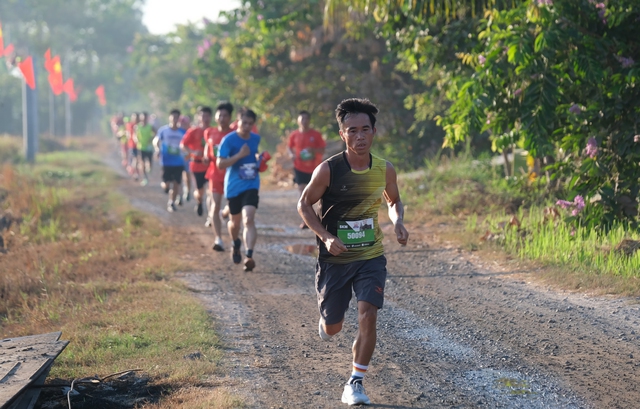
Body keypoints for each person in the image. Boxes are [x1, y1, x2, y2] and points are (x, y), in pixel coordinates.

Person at [297, 98, 409, 406]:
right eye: (352, 131)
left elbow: (394, 201)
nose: (359, 137)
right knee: (333, 328)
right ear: (342, 133)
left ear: (374, 132)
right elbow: (304, 205)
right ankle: (327, 321)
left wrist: (398, 222)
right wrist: (325, 236)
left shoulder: (385, 169)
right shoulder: (328, 170)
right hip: (335, 258)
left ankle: (355, 382)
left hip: (370, 256)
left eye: (365, 130)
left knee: (368, 313)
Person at [217, 109, 262, 272]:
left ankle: (249, 255)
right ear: (238, 121)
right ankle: (236, 243)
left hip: (251, 184)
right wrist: (239, 155)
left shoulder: (255, 139)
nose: (247, 126)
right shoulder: (228, 140)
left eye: (251, 124)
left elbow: (254, 156)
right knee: (234, 223)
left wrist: (259, 160)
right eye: (244, 123)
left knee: (248, 218)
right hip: (233, 186)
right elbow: (220, 164)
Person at [287, 110, 326, 229]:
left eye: (306, 119)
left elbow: (322, 149)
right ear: (298, 120)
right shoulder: (294, 134)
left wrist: (313, 151)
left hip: (314, 168)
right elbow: (289, 147)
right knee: (302, 191)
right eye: (302, 118)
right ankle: (305, 220)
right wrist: (291, 155)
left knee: (317, 194)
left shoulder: (315, 135)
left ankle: (320, 218)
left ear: (309, 121)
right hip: (299, 167)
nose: (304, 121)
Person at [204, 102, 233, 251]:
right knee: (215, 206)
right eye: (219, 115)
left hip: (232, 175)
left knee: (232, 206)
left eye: (225, 115)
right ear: (216, 116)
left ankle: (225, 213)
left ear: (230, 117)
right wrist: (205, 155)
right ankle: (218, 239)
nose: (222, 118)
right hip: (215, 174)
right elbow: (207, 147)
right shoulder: (209, 132)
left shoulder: (234, 134)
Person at [181, 107, 212, 216]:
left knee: (211, 191)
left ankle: (210, 215)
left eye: (207, 116)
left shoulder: (214, 131)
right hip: (197, 165)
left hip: (211, 166)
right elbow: (183, 145)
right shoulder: (193, 131)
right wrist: (193, 151)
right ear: (198, 117)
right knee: (200, 192)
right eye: (203, 116)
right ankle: (199, 202)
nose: (205, 118)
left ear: (211, 117)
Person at [154, 109, 186, 212]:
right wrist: (157, 149)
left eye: (177, 117)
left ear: (179, 119)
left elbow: (187, 145)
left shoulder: (183, 132)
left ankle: (171, 202)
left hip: (179, 162)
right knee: (166, 184)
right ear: (170, 118)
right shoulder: (163, 130)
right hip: (166, 161)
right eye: (173, 117)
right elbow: (156, 141)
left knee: (176, 183)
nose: (175, 119)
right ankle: (165, 187)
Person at [135, 112, 156, 186]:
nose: (143, 119)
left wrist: (152, 138)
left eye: (145, 118)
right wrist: (136, 140)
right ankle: (145, 178)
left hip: (149, 147)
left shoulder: (150, 126)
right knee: (142, 163)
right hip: (141, 147)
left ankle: (149, 170)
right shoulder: (138, 127)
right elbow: (135, 135)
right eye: (142, 118)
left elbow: (155, 133)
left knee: (150, 163)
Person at [179, 114, 193, 204]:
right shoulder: (177, 131)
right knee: (178, 178)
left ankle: (187, 191)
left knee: (187, 175)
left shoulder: (191, 131)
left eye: (185, 123)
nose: (183, 125)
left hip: (188, 157)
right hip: (177, 158)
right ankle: (179, 196)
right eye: (182, 123)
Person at [126, 113, 140, 180]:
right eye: (134, 117)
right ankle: (135, 173)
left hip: (140, 146)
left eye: (137, 118)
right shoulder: (130, 125)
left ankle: (134, 171)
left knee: (137, 160)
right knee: (135, 159)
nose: (136, 119)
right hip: (132, 145)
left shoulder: (140, 125)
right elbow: (128, 134)